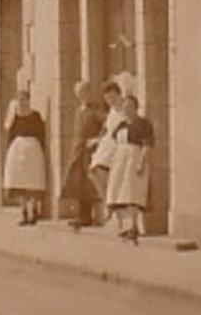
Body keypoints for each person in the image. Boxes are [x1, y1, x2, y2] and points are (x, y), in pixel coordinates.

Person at [105, 95, 155, 243]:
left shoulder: (143, 124)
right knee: (118, 193)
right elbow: (113, 143)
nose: (127, 109)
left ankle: (133, 226)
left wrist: (141, 162)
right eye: (125, 107)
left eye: (130, 106)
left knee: (132, 192)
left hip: (134, 159)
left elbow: (147, 145)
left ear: (135, 107)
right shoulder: (121, 126)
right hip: (119, 161)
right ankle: (123, 226)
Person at [61, 81, 106, 231]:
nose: (83, 95)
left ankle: (89, 215)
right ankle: (81, 213)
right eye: (80, 93)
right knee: (77, 180)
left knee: (89, 182)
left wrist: (96, 140)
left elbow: (107, 127)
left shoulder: (96, 110)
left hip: (90, 150)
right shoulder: (78, 110)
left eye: (86, 92)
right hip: (78, 150)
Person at [3, 90, 48, 226]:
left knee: (32, 182)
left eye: (25, 100)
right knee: (19, 183)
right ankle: (23, 211)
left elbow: (41, 134)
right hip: (17, 149)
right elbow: (10, 135)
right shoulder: (14, 117)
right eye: (20, 100)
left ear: (29, 100)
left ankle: (33, 211)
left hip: (33, 150)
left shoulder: (35, 116)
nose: (22, 103)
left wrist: (42, 149)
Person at [88, 81, 125, 208]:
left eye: (113, 97)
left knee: (100, 169)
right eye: (108, 98)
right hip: (107, 144)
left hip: (118, 144)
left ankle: (112, 199)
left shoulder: (124, 109)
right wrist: (96, 140)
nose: (111, 100)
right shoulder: (112, 111)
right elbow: (107, 129)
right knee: (93, 171)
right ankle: (108, 200)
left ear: (120, 95)